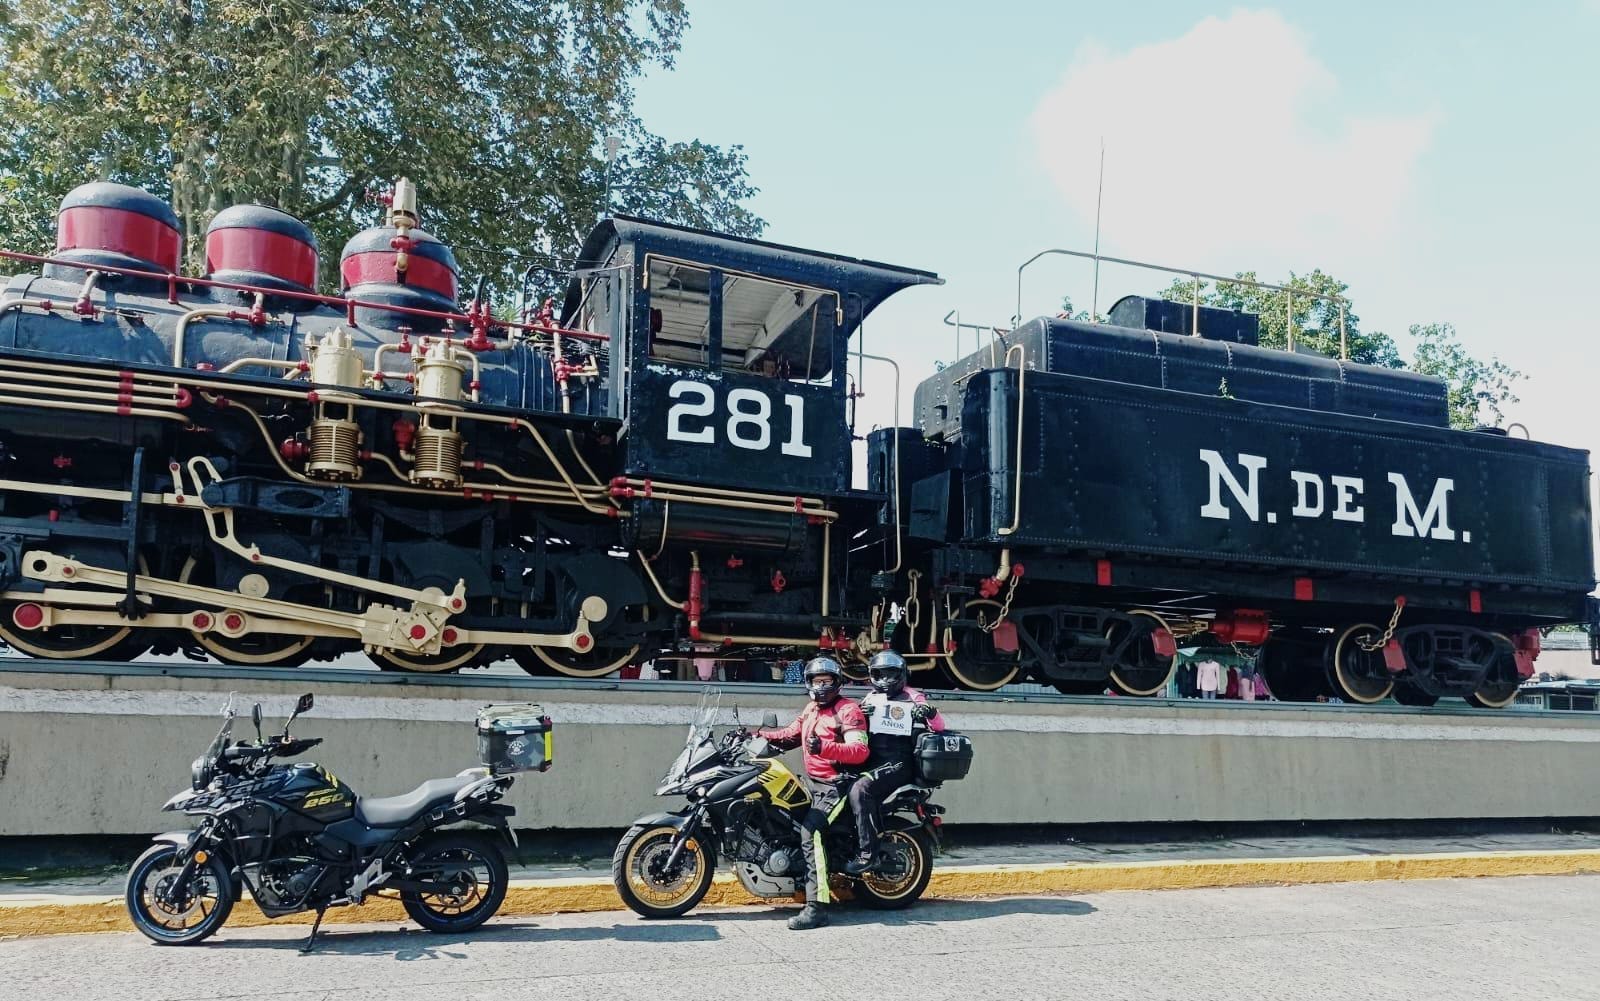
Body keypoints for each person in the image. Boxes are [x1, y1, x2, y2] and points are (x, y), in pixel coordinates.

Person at [755, 656, 869, 930]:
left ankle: (816, 907)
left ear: (837, 682)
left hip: (837, 784)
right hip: (813, 782)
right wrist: (755, 733)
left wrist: (825, 749)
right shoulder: (811, 710)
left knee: (810, 832)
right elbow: (790, 735)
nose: (820, 687)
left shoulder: (848, 711)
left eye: (826, 681)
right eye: (816, 681)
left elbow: (859, 751)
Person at [843, 651, 944, 876]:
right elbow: (855, 727)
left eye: (891, 675)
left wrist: (929, 712)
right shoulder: (870, 698)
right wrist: (862, 715)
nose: (886, 680)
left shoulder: (913, 696)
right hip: (871, 758)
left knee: (861, 790)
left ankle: (867, 853)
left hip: (898, 760)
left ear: (902, 675)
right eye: (880, 675)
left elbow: (938, 726)